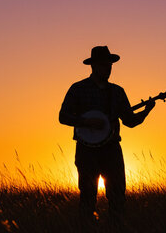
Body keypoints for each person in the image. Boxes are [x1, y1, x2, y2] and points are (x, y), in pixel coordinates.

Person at [59, 46, 155, 223]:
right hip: (86, 150)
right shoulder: (78, 89)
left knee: (118, 196)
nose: (108, 69)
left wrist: (146, 111)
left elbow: (129, 121)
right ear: (93, 66)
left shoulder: (117, 92)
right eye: (104, 65)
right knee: (88, 196)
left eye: (110, 65)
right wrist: (86, 122)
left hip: (111, 149)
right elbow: (62, 116)